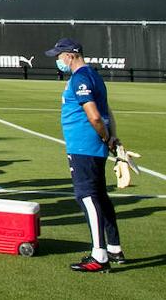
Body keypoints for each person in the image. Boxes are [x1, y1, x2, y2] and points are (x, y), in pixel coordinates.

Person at [47, 38, 125, 272]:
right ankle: (113, 248)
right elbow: (107, 110)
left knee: (87, 197)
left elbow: (94, 115)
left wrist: (104, 136)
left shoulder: (81, 77)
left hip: (84, 146)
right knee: (100, 196)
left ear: (70, 55)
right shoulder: (93, 75)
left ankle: (99, 255)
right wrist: (111, 137)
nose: (58, 61)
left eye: (59, 56)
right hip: (90, 144)